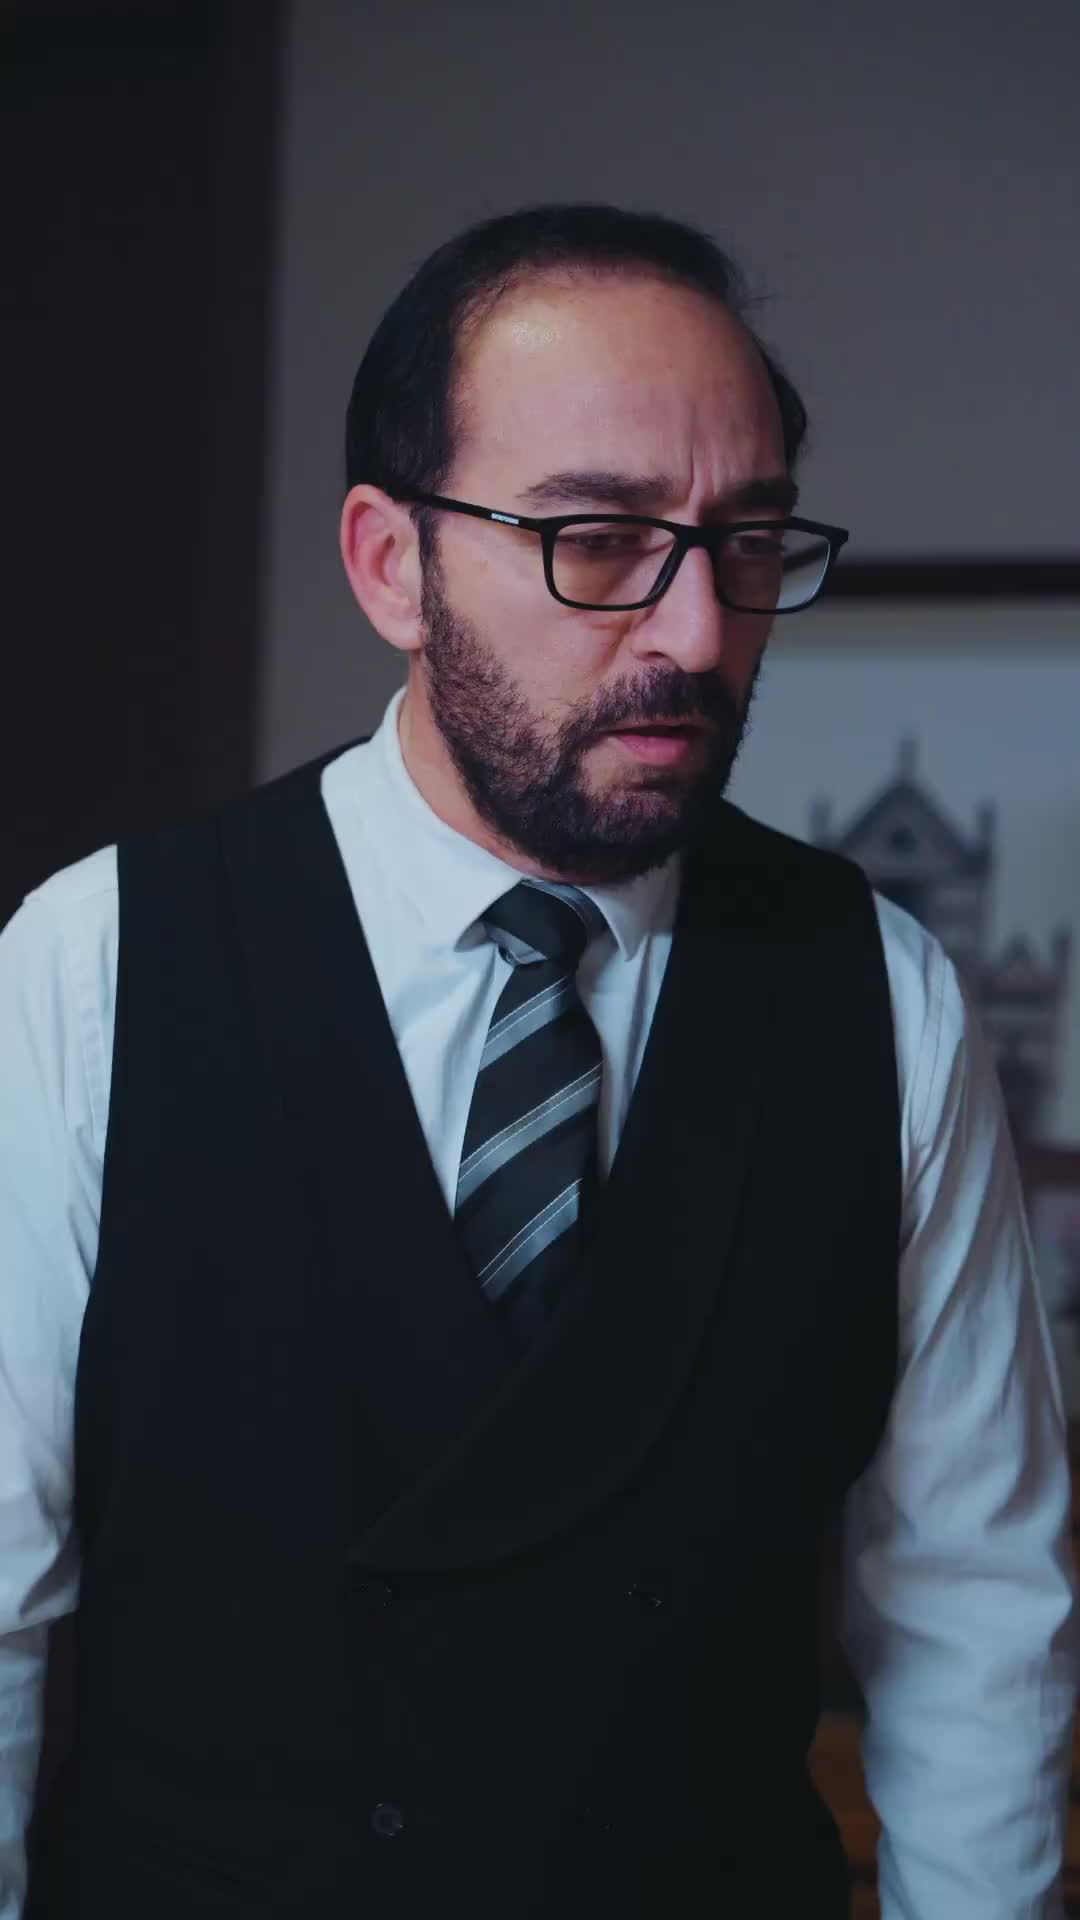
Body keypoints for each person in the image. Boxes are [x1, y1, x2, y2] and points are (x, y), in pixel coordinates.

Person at [0, 202, 1076, 1920]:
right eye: (599, 539)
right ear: (391, 565)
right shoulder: (94, 967)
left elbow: (979, 1613)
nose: (697, 633)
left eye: (746, 543)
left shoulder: (882, 996)